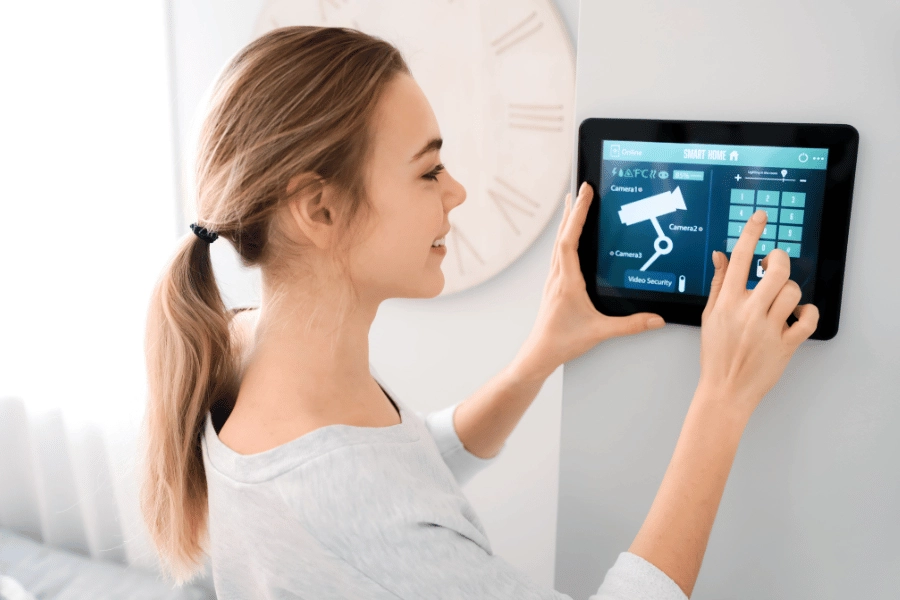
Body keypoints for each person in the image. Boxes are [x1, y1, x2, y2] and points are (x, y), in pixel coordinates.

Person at [141, 26, 819, 599]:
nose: (456, 191)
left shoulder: (245, 345)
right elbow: (367, 503)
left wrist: (539, 356)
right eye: (428, 170)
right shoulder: (348, 504)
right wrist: (723, 398)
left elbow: (392, 469)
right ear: (319, 209)